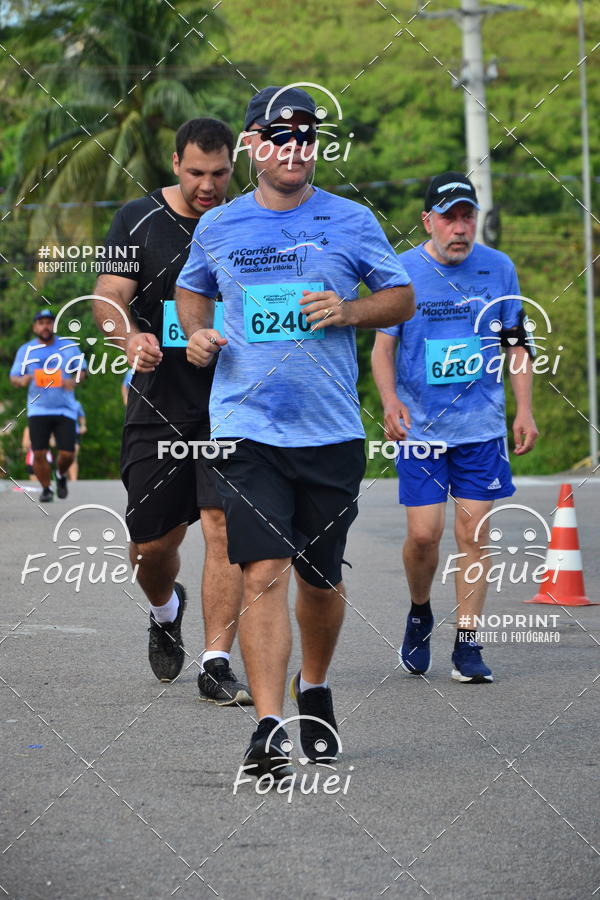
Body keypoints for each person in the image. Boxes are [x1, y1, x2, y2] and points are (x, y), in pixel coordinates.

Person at [175, 86, 414, 777]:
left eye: (305, 136)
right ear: (253, 143)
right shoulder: (219, 228)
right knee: (263, 571)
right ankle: (269, 727)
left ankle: (316, 685)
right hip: (247, 427)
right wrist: (197, 333)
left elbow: (401, 296)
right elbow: (193, 288)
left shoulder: (351, 219)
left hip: (330, 429)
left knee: (319, 580)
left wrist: (350, 308)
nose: (294, 149)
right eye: (279, 136)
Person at [92, 118, 251, 705]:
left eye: (219, 174)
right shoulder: (136, 219)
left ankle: (215, 662)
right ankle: (165, 608)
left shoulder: (247, 223)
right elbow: (108, 298)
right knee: (152, 547)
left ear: (234, 166)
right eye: (195, 173)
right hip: (159, 399)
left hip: (231, 402)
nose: (208, 186)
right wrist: (128, 337)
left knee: (222, 527)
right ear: (175, 162)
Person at [371, 172, 538, 684]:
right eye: (450, 218)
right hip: (422, 428)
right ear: (429, 221)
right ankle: (420, 611)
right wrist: (390, 399)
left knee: (474, 533)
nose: (460, 228)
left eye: (467, 217)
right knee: (425, 535)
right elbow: (383, 347)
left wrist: (524, 410)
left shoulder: (498, 269)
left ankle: (467, 643)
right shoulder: (401, 272)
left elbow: (516, 345)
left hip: (481, 427)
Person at [10, 309, 87, 502]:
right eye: (41, 322)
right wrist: (23, 380)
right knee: (39, 453)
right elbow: (14, 378)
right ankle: (46, 489)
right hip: (38, 409)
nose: (46, 326)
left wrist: (75, 380)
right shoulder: (26, 350)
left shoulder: (68, 347)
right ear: (35, 326)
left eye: (49, 322)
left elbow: (82, 371)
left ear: (54, 325)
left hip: (65, 409)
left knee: (68, 454)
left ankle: (61, 475)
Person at [68, 400, 86, 481]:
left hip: (74, 432)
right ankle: (63, 478)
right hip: (60, 433)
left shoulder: (76, 404)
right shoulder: (56, 403)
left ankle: (73, 480)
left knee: (73, 455)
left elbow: (81, 416)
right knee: (64, 456)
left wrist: (83, 425)